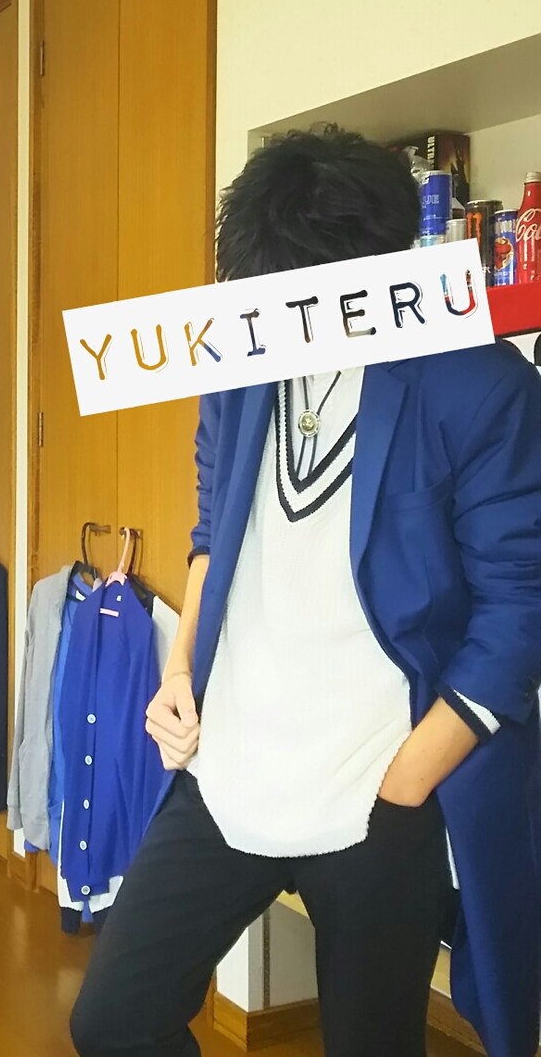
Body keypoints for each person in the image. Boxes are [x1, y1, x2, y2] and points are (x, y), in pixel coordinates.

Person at [70, 128, 541, 1057]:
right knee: (114, 1022)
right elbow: (213, 536)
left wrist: (409, 778)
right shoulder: (240, 366)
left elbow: (520, 605)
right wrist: (179, 671)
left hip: (382, 788)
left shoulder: (480, 385)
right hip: (232, 764)